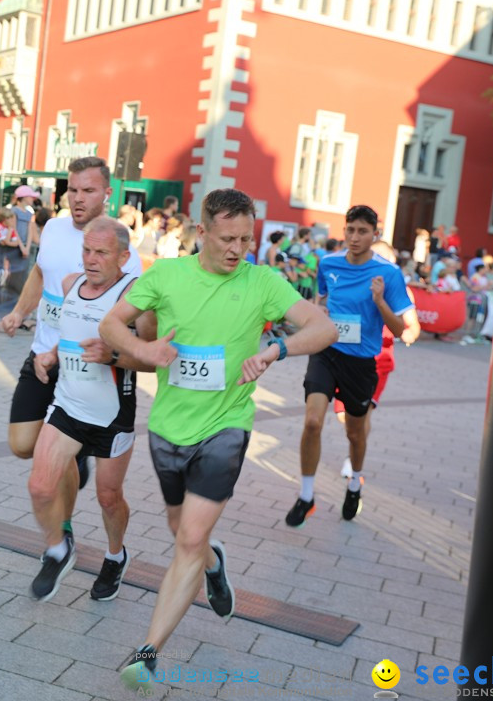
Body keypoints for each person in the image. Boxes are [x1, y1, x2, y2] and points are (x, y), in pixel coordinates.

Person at [100, 189, 337, 690]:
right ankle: (214, 563)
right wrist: (145, 347)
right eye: (228, 238)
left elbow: (323, 326)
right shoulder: (166, 276)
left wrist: (278, 349)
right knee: (179, 528)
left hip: (227, 426)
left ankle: (148, 652)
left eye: (246, 239)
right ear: (201, 232)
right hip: (168, 428)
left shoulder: (262, 281)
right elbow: (110, 324)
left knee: (188, 538)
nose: (238, 249)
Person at [0, 157, 143, 527]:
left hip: (85, 367)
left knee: (59, 451)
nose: (77, 198)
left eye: (88, 191)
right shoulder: (53, 229)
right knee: (21, 444)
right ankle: (73, 455)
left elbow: (129, 320)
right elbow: (39, 271)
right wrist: (19, 311)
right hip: (43, 351)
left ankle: (62, 531)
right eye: (73, 190)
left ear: (107, 194)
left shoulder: (124, 252)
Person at [27, 218, 154, 602]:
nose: (91, 260)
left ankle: (115, 556)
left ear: (123, 257)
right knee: (39, 486)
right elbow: (69, 335)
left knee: (108, 497)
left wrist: (115, 355)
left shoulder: (135, 299)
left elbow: (153, 359)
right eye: (87, 251)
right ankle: (57, 549)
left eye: (101, 253)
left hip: (112, 413)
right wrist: (51, 354)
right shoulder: (69, 285)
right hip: (67, 404)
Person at [286, 205, 415, 528]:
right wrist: (319, 315)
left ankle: (355, 482)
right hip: (326, 351)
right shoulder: (328, 263)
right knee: (313, 421)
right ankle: (306, 496)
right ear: (343, 231)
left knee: (355, 433)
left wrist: (380, 302)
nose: (355, 237)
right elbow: (322, 301)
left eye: (362, 231)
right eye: (350, 230)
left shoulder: (388, 274)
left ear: (375, 234)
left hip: (360, 363)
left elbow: (401, 330)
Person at [334, 241, 421, 472]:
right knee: (343, 416)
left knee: (361, 415)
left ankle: (353, 460)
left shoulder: (399, 288)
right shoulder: (352, 281)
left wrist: (407, 333)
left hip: (378, 360)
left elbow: (412, 328)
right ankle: (355, 449)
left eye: (384, 260)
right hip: (344, 357)